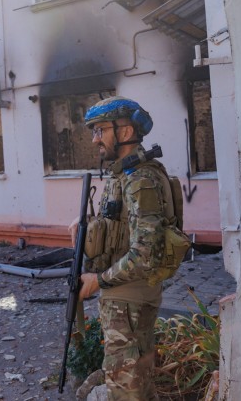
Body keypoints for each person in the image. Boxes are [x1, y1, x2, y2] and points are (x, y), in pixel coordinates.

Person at [72, 96, 178, 400]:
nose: (95, 140)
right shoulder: (125, 175)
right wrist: (86, 227)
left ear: (126, 132)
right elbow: (121, 228)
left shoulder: (140, 179)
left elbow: (146, 254)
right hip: (126, 300)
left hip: (129, 300)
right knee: (137, 386)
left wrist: (98, 280)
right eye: (93, 131)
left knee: (127, 391)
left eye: (100, 130)